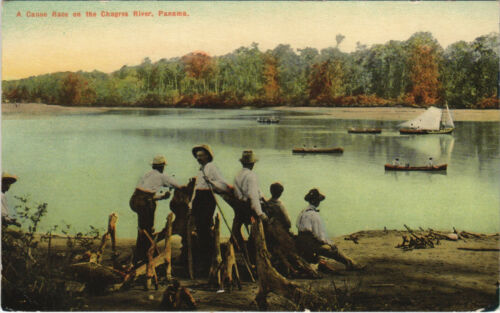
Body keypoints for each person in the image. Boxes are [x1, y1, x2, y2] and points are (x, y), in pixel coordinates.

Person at [130, 155, 180, 267]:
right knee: (148, 229)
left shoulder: (146, 175)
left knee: (142, 228)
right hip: (145, 204)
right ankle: (145, 255)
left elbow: (146, 194)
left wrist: (162, 197)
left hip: (135, 201)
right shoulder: (162, 176)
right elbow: (178, 186)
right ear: (162, 167)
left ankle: (140, 254)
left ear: (153, 166)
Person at [296, 188, 362, 271]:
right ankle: (350, 264)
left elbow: (298, 226)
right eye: (318, 200)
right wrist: (331, 243)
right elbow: (319, 236)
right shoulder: (313, 214)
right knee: (333, 249)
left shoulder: (303, 212)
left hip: (301, 243)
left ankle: (348, 263)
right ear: (317, 201)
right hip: (311, 245)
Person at [191, 144, 230, 270]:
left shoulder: (212, 167)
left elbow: (224, 185)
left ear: (207, 156)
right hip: (199, 197)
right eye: (197, 156)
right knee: (199, 227)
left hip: (207, 198)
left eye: (201, 155)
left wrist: (212, 182)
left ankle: (208, 260)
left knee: (205, 227)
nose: (198, 158)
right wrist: (192, 203)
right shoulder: (200, 169)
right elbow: (196, 188)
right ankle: (203, 258)